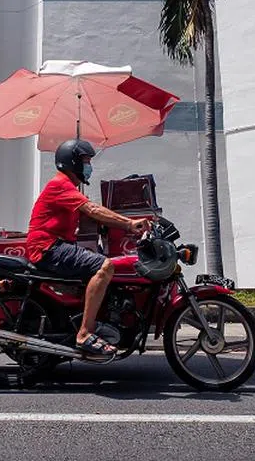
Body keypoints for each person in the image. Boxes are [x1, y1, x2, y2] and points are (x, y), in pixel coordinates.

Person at [26, 139, 150, 356]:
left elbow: (91, 214)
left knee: (101, 263)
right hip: (47, 247)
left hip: (57, 245)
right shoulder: (60, 184)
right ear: (71, 162)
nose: (88, 166)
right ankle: (85, 332)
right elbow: (92, 209)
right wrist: (129, 223)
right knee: (105, 266)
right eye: (85, 161)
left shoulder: (70, 187)